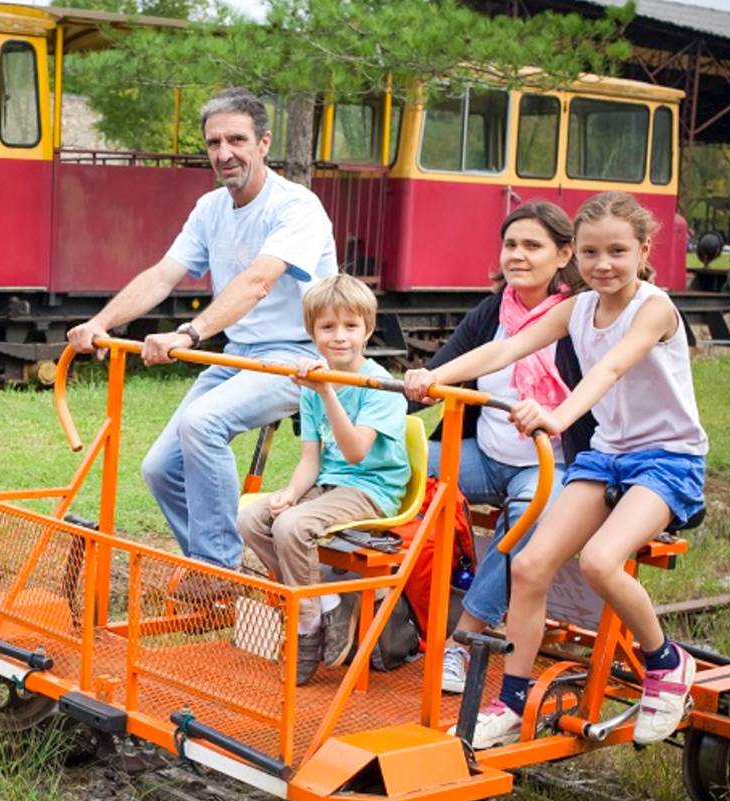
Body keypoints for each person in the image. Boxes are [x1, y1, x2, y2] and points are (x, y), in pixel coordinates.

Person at [406, 192, 707, 750]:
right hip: (607, 455)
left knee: (599, 561)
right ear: (576, 257)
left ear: (644, 250)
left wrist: (558, 416)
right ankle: (513, 700)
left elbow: (612, 368)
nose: (602, 264)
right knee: (530, 564)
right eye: (591, 253)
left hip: (666, 458)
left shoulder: (655, 308)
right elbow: (505, 350)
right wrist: (434, 376)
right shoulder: (578, 309)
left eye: (617, 251)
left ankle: (666, 661)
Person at [66, 88, 337, 578]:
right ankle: (214, 567)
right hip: (239, 354)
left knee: (202, 424)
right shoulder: (211, 208)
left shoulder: (297, 206)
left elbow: (258, 281)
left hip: (298, 358)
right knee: (160, 468)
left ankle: (216, 569)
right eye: (214, 143)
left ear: (264, 143)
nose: (224, 153)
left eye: (237, 140)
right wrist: (101, 322)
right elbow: (162, 275)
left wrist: (190, 333)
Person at [405, 202, 592, 696]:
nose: (517, 255)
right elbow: (440, 372)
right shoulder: (493, 312)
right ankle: (371, 608)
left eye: (532, 245)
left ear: (564, 254)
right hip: (484, 455)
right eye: (511, 245)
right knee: (392, 466)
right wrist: (367, 409)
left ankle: (463, 640)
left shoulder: (581, 315)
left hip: (551, 463)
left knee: (531, 515)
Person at [237, 275, 410, 680]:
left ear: (368, 329)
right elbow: (310, 461)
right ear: (312, 332)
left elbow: (355, 452)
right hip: (328, 483)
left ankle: (305, 624)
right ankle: (325, 604)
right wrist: (291, 492)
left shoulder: (379, 386)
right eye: (327, 327)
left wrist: (327, 392)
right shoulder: (312, 387)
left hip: (371, 488)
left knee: (292, 527)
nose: (339, 337)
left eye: (350, 326)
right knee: (252, 519)